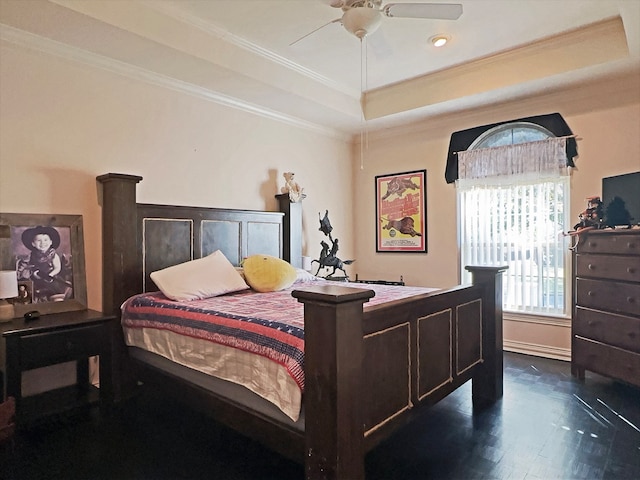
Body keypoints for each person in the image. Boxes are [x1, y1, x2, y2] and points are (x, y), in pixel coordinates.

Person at [20, 226, 71, 302]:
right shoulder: (32, 255)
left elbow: (57, 268)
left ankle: (57, 299)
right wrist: (35, 274)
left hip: (51, 278)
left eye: (45, 240)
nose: (43, 243)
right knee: (34, 290)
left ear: (51, 242)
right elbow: (31, 266)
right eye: (39, 240)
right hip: (38, 278)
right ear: (33, 243)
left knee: (55, 290)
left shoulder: (53, 254)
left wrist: (50, 275)